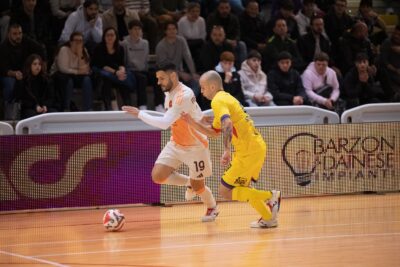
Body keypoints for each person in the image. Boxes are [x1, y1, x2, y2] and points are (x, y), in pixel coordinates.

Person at [181, 70, 282, 228]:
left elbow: (227, 124)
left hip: (248, 151)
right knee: (244, 188)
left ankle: (271, 196)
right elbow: (214, 132)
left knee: (225, 191)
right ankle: (269, 217)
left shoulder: (217, 101)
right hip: (253, 147)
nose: (201, 91)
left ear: (212, 86)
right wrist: (193, 122)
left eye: (203, 87)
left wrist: (227, 150)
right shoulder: (227, 98)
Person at [122, 63, 218, 222]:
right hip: (176, 142)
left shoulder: (183, 95)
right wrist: (200, 117)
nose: (158, 82)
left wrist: (140, 114)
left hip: (196, 146)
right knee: (157, 176)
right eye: (157, 79)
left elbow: (164, 123)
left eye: (162, 78)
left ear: (173, 76)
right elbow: (192, 109)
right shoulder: (170, 93)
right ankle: (189, 183)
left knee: (198, 186)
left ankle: (212, 207)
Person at [15, 54, 58, 119]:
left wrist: (45, 105)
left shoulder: (47, 80)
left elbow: (51, 97)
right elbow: (22, 99)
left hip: (44, 107)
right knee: (32, 115)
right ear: (29, 66)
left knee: (54, 113)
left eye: (39, 64)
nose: (37, 66)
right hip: (29, 108)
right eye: (35, 64)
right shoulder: (24, 80)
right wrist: (35, 106)